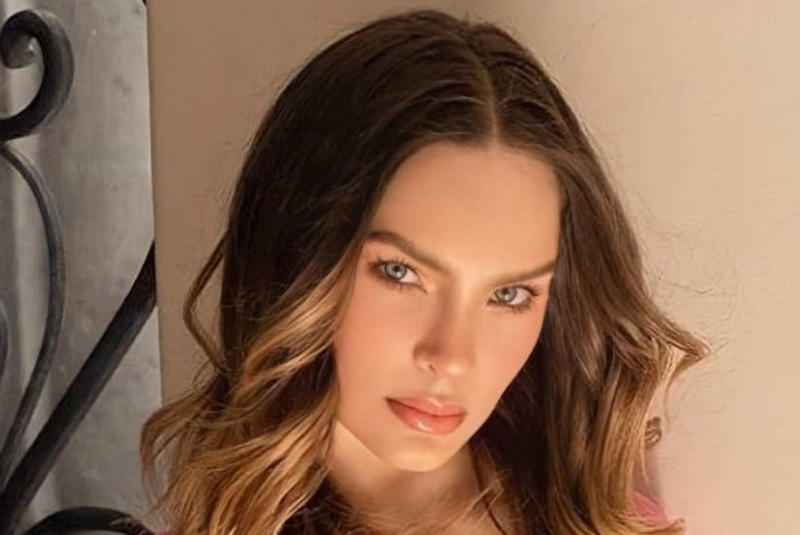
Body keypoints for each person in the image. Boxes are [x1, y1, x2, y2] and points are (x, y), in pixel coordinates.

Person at [140, 8, 708, 535]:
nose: (452, 356)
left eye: (510, 294)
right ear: (297, 257)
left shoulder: (602, 520)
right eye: (399, 272)